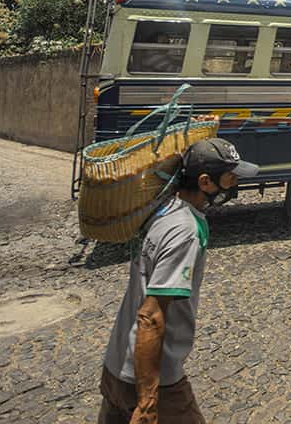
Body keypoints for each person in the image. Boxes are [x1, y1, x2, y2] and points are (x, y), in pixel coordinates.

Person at [98, 138, 259, 423]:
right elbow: (151, 317)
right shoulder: (184, 231)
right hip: (154, 377)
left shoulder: (162, 206)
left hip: (115, 367)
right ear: (206, 182)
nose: (234, 183)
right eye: (230, 176)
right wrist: (148, 403)